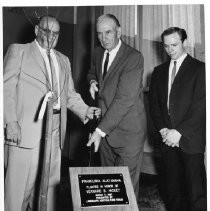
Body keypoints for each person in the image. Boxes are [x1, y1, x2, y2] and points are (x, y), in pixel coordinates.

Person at [4, 15, 100, 211]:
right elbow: (4, 89)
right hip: (26, 132)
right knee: (19, 190)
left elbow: (70, 95)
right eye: (47, 31)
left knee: (49, 190)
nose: (51, 37)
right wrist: (10, 122)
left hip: (55, 132)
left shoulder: (63, 60)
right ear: (37, 30)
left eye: (55, 33)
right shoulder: (19, 51)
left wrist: (86, 110)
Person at [86, 14, 147, 201]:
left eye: (108, 32)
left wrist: (98, 131)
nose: (104, 38)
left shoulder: (133, 58)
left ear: (119, 32)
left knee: (125, 190)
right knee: (108, 189)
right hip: (105, 132)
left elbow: (124, 100)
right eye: (99, 34)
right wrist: (93, 81)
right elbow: (91, 72)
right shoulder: (98, 52)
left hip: (128, 133)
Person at [149, 27, 206, 211]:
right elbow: (155, 106)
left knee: (196, 192)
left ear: (184, 42)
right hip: (167, 140)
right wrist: (163, 130)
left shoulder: (201, 69)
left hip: (190, 139)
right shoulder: (158, 71)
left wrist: (179, 132)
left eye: (174, 45)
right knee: (172, 191)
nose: (170, 49)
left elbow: (201, 106)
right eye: (166, 46)